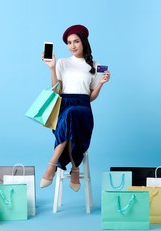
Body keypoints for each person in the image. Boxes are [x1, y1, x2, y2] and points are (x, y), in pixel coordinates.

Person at [40, 24, 111, 192]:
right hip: (64, 106)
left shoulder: (94, 65)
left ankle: (52, 164)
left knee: (72, 115)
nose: (72, 46)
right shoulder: (62, 63)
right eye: (69, 42)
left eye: (76, 41)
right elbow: (57, 91)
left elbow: (91, 97)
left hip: (83, 107)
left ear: (84, 42)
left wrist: (100, 84)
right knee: (69, 118)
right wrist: (52, 68)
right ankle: (75, 168)